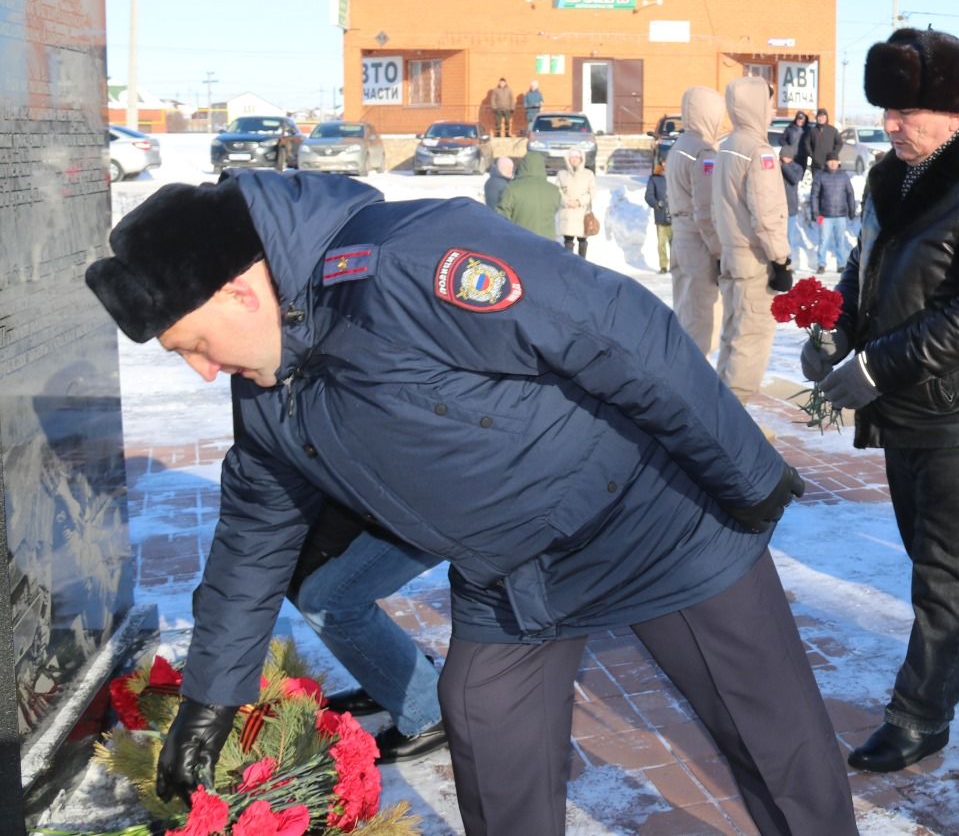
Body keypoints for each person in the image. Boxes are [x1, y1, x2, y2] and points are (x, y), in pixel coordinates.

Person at [84, 171, 858, 836]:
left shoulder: (407, 262)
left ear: (241, 290)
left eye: (192, 344)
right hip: (515, 579)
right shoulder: (270, 393)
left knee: (773, 741)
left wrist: (745, 474)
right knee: (485, 719)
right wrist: (210, 703)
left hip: (652, 524)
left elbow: (618, 331)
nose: (199, 372)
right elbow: (251, 538)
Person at [802, 28, 959, 772]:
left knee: (942, 572)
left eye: (907, 110)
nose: (891, 124)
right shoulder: (893, 177)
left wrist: (874, 367)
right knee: (939, 552)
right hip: (913, 402)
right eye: (887, 109)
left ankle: (920, 717)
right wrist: (831, 326)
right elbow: (864, 268)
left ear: (957, 110)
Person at [288, 502, 448, 763]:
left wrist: (326, 543)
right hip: (391, 497)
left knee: (328, 602)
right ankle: (396, 682)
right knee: (302, 577)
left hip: (447, 495)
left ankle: (428, 713)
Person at [712, 77, 791, 404]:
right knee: (751, 339)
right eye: (768, 103)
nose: (772, 110)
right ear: (756, 106)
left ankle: (720, 411)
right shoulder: (758, 152)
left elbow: (716, 206)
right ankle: (734, 420)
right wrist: (780, 259)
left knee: (732, 337)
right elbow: (766, 213)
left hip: (732, 257)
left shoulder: (727, 146)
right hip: (755, 261)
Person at [666, 86, 728, 355]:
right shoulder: (703, 152)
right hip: (699, 242)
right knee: (702, 323)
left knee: (685, 311)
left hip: (680, 236)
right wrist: (719, 249)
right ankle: (692, 388)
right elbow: (706, 209)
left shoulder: (679, 146)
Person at [495, 151, 560, 240]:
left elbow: (502, 216)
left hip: (522, 240)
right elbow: (556, 209)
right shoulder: (553, 190)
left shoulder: (512, 188)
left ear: (522, 166)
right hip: (547, 242)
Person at [810, 152, 857, 273]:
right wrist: (815, 211)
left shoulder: (844, 176)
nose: (833, 163)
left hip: (841, 215)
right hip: (824, 215)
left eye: (835, 161)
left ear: (838, 162)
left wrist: (852, 210)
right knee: (823, 240)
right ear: (826, 162)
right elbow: (814, 195)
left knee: (840, 241)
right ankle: (821, 264)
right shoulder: (820, 175)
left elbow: (850, 194)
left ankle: (841, 264)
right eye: (830, 161)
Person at [556, 148, 596, 257]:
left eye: (576, 157)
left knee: (582, 240)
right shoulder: (562, 174)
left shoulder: (588, 174)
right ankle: (569, 264)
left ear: (581, 159)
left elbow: (592, 192)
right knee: (568, 241)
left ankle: (582, 263)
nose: (574, 160)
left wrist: (579, 202)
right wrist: (566, 201)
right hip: (567, 212)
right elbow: (557, 190)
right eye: (572, 157)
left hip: (582, 212)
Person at [779, 146, 814, 271]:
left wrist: (783, 166)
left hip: (790, 208)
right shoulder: (777, 167)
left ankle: (788, 264)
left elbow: (794, 179)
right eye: (784, 156)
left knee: (788, 238)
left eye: (787, 157)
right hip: (777, 209)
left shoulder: (796, 168)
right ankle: (778, 263)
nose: (785, 159)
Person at [644, 160, 672, 273]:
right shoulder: (654, 178)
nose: (665, 165)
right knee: (661, 243)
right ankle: (663, 266)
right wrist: (656, 204)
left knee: (675, 243)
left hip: (674, 215)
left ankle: (675, 266)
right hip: (660, 216)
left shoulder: (675, 176)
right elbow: (648, 195)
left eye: (667, 162)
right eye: (663, 162)